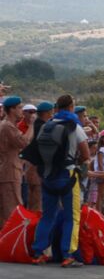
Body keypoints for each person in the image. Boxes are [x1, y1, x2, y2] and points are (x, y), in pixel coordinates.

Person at [29, 94, 90, 268]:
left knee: (47, 216)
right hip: (67, 176)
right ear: (71, 107)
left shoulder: (46, 126)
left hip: (47, 177)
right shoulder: (73, 126)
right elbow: (85, 155)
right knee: (72, 216)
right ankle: (68, 254)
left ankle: (39, 252)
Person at [0, 96, 29, 227]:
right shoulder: (7, 126)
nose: (21, 110)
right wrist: (32, 126)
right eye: (19, 107)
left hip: (10, 170)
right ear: (11, 109)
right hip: (9, 172)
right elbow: (24, 142)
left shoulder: (9, 125)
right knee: (13, 210)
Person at [25, 101, 54, 212]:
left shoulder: (36, 125)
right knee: (37, 201)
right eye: (51, 112)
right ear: (47, 112)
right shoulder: (43, 127)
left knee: (32, 199)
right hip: (37, 167)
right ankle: (35, 227)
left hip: (31, 166)